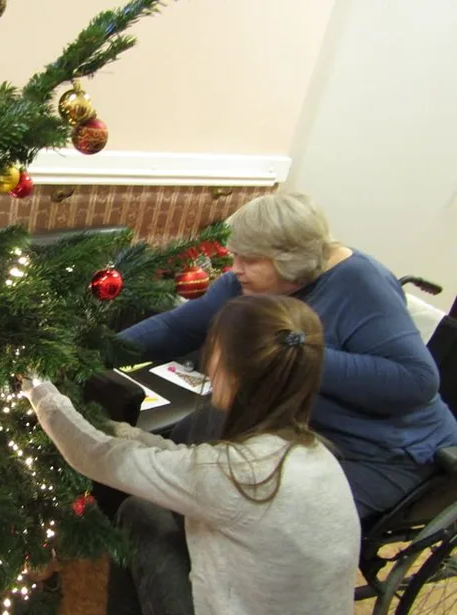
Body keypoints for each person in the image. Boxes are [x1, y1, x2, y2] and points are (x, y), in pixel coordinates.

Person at [23, 294, 363, 615]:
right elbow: (181, 461)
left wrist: (36, 384)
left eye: (211, 348)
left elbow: (92, 455)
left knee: (138, 514)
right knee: (148, 510)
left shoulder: (237, 477)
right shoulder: (313, 455)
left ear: (229, 369)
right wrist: (117, 429)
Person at [122, 192, 457, 519]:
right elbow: (176, 329)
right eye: (234, 256)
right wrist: (90, 353)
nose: (235, 270)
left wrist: (293, 350)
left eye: (249, 260)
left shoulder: (362, 283)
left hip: (380, 452)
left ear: (290, 261)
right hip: (290, 426)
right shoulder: (246, 282)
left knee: (267, 521)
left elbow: (417, 382)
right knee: (190, 435)